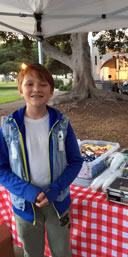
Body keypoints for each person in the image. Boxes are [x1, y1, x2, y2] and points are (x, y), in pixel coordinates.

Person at [0, 63, 83, 257]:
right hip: (24, 205)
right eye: (30, 84)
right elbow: (1, 169)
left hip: (58, 202)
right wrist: (28, 192)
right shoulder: (8, 127)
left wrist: (56, 189)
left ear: (51, 91)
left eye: (43, 84)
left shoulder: (62, 124)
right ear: (21, 90)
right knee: (32, 252)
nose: (36, 89)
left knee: (61, 251)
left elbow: (76, 161)